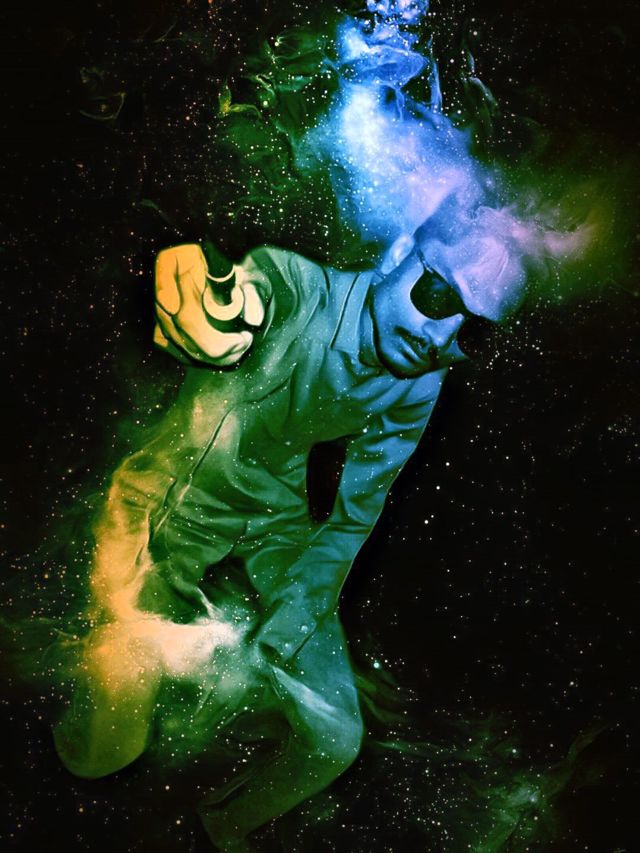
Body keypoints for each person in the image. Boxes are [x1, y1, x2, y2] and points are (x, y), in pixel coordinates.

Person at [53, 230, 523, 850]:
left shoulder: (420, 381)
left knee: (335, 738)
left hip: (274, 520)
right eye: (439, 296)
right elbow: (244, 293)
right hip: (168, 508)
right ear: (400, 252)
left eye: (473, 333)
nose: (440, 338)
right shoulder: (300, 288)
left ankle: (220, 828)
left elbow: (357, 512)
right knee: (105, 751)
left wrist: (301, 607)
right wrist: (198, 290)